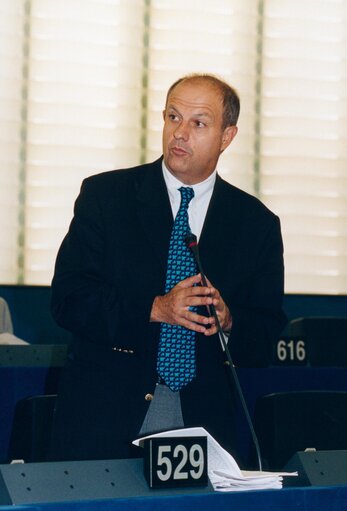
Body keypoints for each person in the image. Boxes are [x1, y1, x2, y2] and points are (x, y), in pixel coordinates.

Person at [49, 74, 287, 463]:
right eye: (173, 117)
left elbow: (265, 333)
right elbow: (68, 300)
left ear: (227, 136)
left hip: (203, 418)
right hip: (105, 412)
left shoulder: (256, 223)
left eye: (198, 123)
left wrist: (229, 321)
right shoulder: (107, 197)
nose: (180, 133)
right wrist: (155, 308)